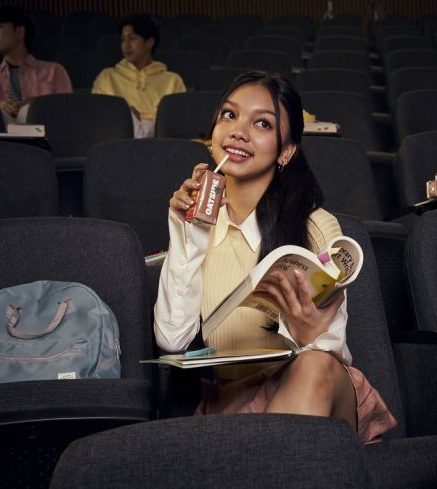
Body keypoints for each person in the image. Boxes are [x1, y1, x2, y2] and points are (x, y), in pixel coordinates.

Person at [153, 71, 396, 444]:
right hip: (230, 402)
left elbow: (331, 344)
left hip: (318, 388)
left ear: (285, 151)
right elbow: (172, 339)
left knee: (314, 364)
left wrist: (308, 333)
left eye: (262, 123)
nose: (238, 131)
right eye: (229, 116)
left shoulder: (315, 225)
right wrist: (188, 233)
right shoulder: (198, 226)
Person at [0, 6, 72, 124]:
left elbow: (66, 114)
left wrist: (36, 106)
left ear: (19, 32)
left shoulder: (55, 72)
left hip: (45, 137)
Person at [91, 14, 185, 138]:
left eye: (132, 38)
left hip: (161, 141)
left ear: (149, 42)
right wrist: (124, 115)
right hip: (119, 142)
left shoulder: (173, 80)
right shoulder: (107, 77)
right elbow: (98, 117)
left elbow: (178, 120)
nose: (126, 45)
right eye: (123, 39)